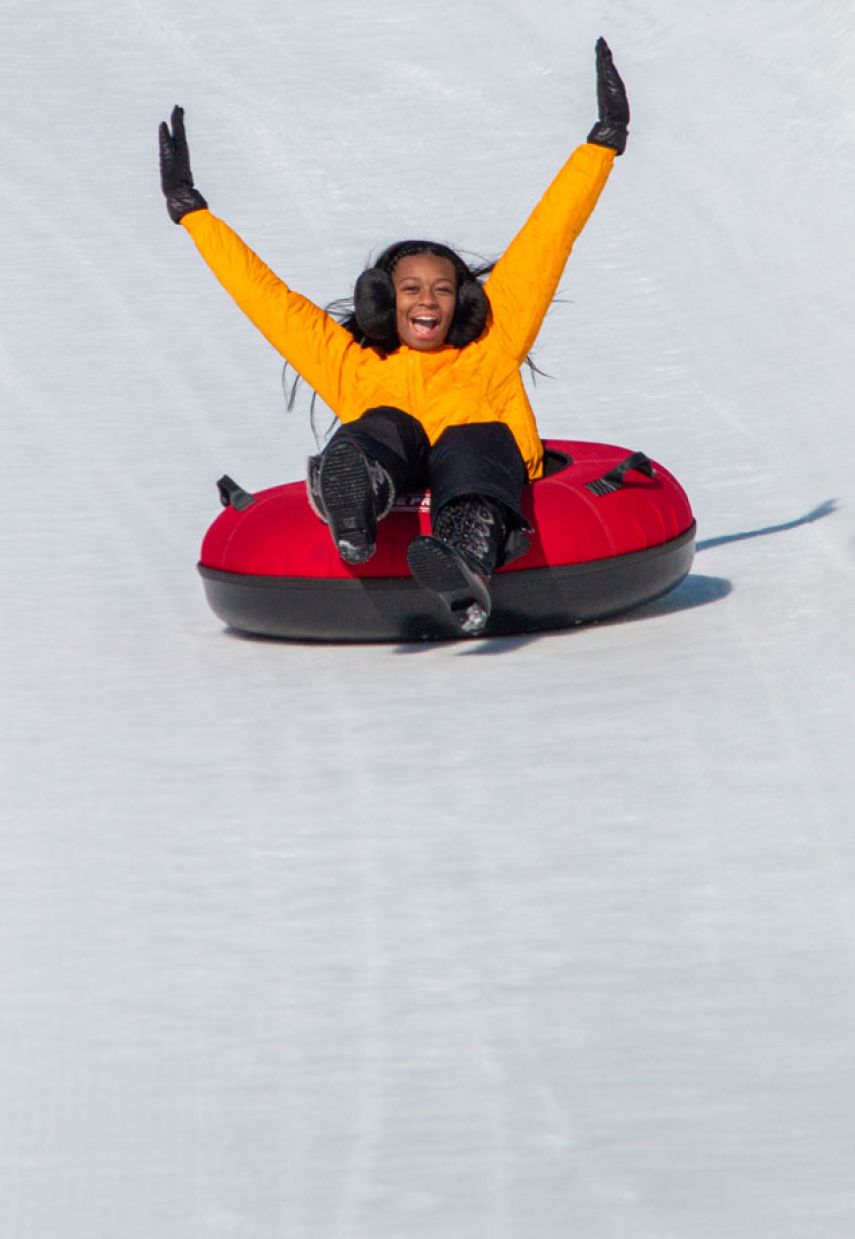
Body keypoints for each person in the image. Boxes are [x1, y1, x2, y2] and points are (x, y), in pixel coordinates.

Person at [159, 38, 629, 635]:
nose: (427, 301)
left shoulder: (493, 340)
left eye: (441, 288)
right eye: (411, 289)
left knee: (473, 438)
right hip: (393, 468)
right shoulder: (351, 363)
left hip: (481, 475)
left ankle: (466, 551)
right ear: (385, 300)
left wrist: (603, 143)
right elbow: (265, 297)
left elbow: (548, 238)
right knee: (383, 426)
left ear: (461, 301)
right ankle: (354, 504)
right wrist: (193, 213)